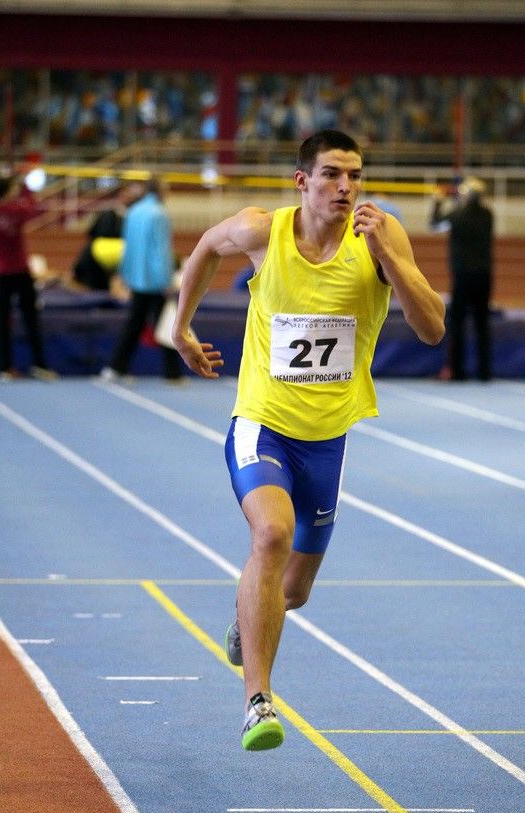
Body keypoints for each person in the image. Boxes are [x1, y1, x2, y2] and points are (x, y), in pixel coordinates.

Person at [173, 129, 445, 752]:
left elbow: (432, 329)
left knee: (292, 590)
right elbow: (206, 248)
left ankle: (248, 616)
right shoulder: (261, 230)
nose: (345, 187)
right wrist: (181, 328)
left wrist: (391, 259)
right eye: (331, 174)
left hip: (327, 441)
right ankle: (258, 702)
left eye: (355, 175)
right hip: (261, 422)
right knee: (271, 534)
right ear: (303, 181)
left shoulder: (382, 236)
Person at [100, 178, 183, 382]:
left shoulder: (133, 211)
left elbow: (127, 246)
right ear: (160, 191)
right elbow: (161, 249)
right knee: (167, 325)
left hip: (137, 278)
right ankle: (173, 373)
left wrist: (125, 274)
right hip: (156, 280)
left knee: (135, 324)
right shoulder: (159, 213)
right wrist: (167, 279)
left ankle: (115, 367)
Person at [0, 173, 57, 381]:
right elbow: (34, 206)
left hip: (1, 272)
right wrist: (25, 186)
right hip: (19, 271)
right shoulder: (17, 210)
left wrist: (2, 181)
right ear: (8, 190)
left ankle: (5, 367)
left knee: (3, 322)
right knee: (30, 320)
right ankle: (39, 365)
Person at [430, 177, 494, 381]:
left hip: (462, 275)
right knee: (482, 323)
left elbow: (435, 225)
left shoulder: (457, 215)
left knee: (457, 323)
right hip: (484, 274)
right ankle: (484, 372)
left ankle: (457, 371)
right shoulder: (488, 215)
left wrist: (438, 202)